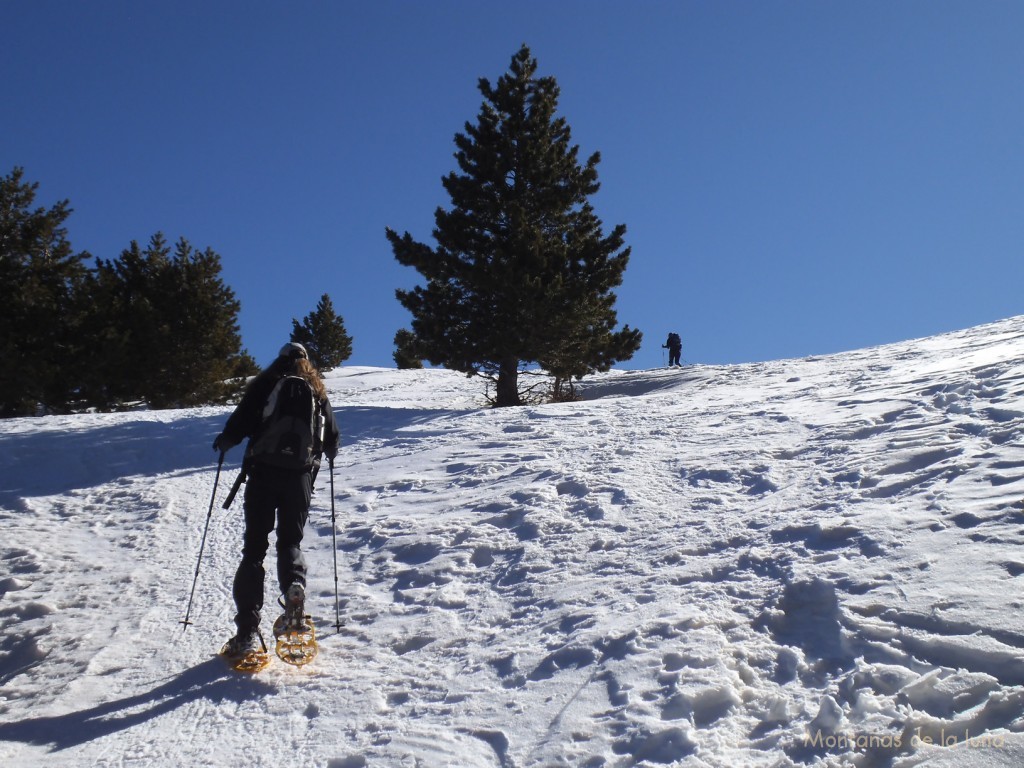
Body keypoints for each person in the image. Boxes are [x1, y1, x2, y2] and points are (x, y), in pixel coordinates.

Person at [213, 342, 340, 654]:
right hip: (298, 478)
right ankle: (294, 589)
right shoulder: (316, 390)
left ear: (279, 359)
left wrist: (225, 441)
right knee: (290, 543)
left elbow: (240, 422)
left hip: (263, 473)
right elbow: (332, 440)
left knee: (254, 550)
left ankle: (246, 631)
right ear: (306, 362)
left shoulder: (267, 384)